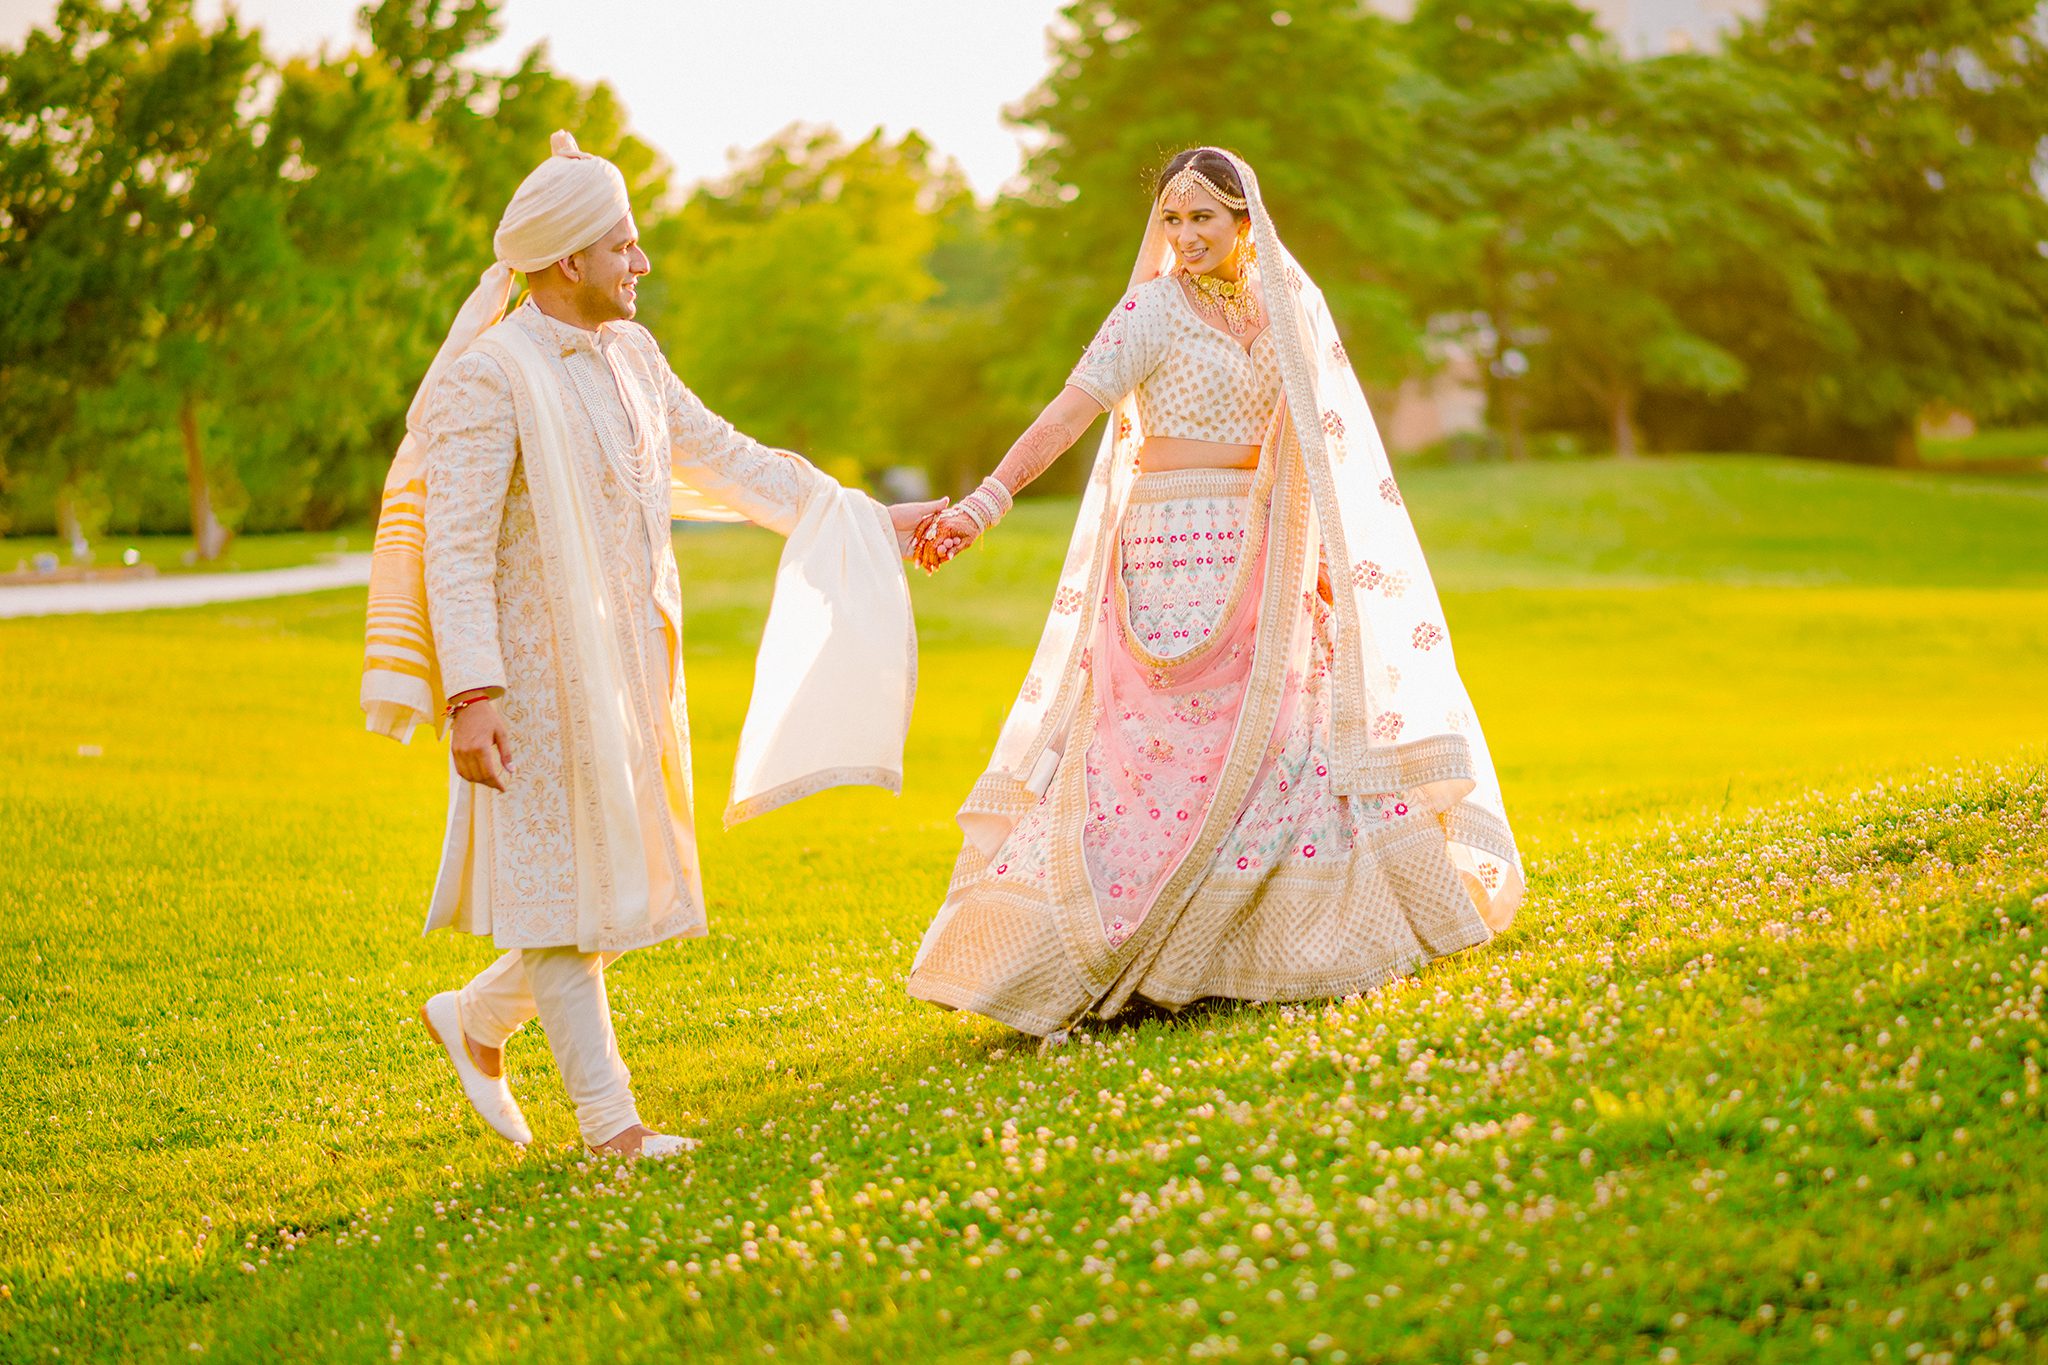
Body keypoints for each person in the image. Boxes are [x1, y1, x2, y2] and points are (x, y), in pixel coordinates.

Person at [359, 132, 941, 1156]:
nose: (643, 264)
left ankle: (479, 1019)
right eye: (624, 248)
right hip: (528, 678)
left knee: (620, 877)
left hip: (630, 668)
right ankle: (609, 1124)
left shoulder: (634, 355)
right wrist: (472, 695)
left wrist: (866, 519)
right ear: (567, 259)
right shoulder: (490, 377)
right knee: (556, 888)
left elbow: (728, 460)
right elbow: (451, 549)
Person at [905, 148, 1523, 1040]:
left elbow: (1318, 445)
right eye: (1171, 219)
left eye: (1204, 217)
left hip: (1265, 559)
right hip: (1164, 562)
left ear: (1245, 222)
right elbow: (1066, 415)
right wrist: (982, 505)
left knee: (1288, 742)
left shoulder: (1285, 316)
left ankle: (1250, 948)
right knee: (1146, 761)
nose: (1185, 236)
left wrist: (1326, 572)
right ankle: (1089, 951)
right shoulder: (1148, 312)